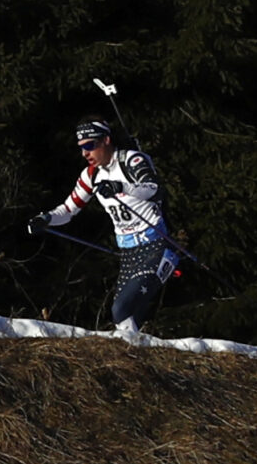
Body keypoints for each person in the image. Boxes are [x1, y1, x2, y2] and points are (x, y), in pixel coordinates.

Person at [28, 118, 182, 336]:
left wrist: (121, 187)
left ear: (106, 140)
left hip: (156, 245)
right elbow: (69, 210)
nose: (85, 153)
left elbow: (153, 189)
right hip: (128, 253)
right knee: (128, 319)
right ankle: (141, 361)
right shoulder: (91, 175)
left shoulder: (132, 160)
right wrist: (46, 219)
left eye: (90, 146)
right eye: (81, 148)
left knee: (120, 309)